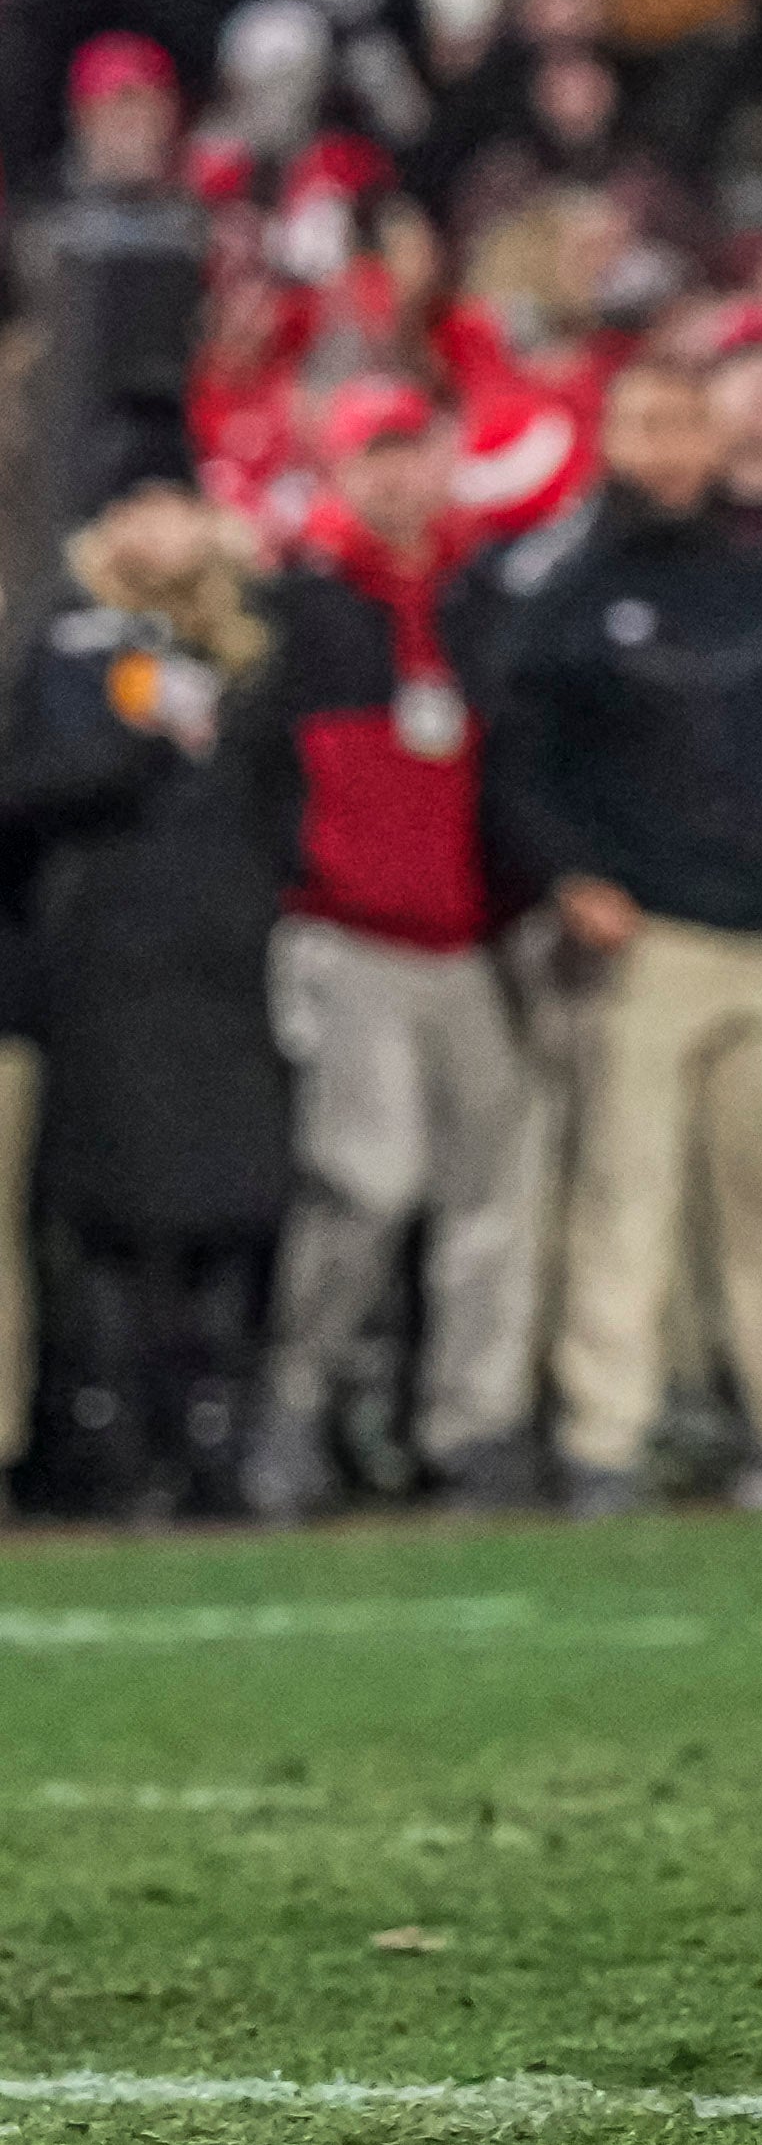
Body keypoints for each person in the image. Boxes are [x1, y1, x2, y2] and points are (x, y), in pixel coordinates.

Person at [496, 355, 762, 1518]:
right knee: (626, 1199)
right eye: (643, 424)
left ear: (716, 442)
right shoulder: (566, 590)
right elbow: (521, 762)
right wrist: (567, 875)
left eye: (684, 424)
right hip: (647, 941)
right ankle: (602, 1437)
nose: (666, 448)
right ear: (606, 438)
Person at [251, 383, 544, 1519]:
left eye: (412, 452)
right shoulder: (299, 608)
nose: (396, 477)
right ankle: (295, 1401)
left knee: (490, 1192)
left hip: (465, 942)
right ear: (336, 469)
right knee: (365, 1184)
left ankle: (466, 1428)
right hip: (349, 933)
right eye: (373, 456)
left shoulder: (476, 606)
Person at [0, 468, 303, 1519]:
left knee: (231, 1211)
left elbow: (287, 811)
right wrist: (132, 734)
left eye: (172, 504)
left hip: (226, 977)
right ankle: (106, 1447)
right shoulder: (69, 646)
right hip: (107, 981)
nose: (156, 528)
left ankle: (212, 1444)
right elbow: (24, 790)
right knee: (116, 1227)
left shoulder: (255, 648)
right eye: (131, 507)